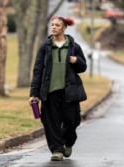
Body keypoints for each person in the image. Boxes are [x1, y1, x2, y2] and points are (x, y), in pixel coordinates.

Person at [29, 16, 87, 161]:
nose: (53, 27)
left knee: (72, 120)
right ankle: (57, 150)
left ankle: (68, 142)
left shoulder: (74, 47)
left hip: (69, 92)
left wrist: (76, 60)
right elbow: (38, 71)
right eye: (52, 25)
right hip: (49, 92)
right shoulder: (45, 47)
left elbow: (83, 67)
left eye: (57, 25)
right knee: (50, 122)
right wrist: (34, 93)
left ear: (64, 28)